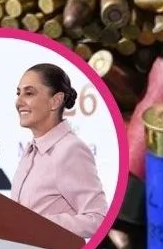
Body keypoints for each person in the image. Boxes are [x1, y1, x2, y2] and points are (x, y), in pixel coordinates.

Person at [10, 63, 108, 240]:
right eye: (19, 93)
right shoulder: (31, 152)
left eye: (29, 93)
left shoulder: (70, 150)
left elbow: (98, 219)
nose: (19, 102)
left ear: (56, 101)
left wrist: (38, 224)